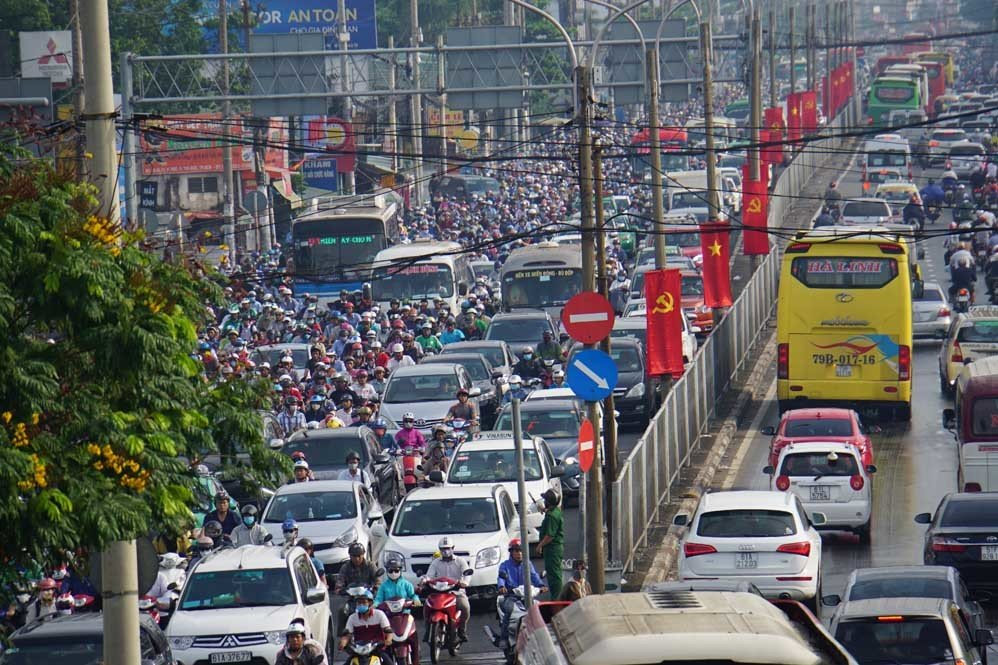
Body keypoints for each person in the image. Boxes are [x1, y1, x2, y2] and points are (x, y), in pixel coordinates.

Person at [495, 539, 546, 648]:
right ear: (511, 552)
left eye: (521, 551)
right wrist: (501, 586)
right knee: (508, 610)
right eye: (516, 551)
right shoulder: (505, 565)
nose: (519, 554)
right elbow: (501, 577)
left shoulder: (528, 564)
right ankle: (504, 638)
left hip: (527, 596)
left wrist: (541, 586)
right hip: (511, 596)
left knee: (538, 610)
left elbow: (534, 576)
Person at [421, 536, 471, 644]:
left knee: (465, 607)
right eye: (443, 549)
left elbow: (467, 574)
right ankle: (427, 630)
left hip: (456, 592)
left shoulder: (460, 561)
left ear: (453, 548)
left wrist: (464, 582)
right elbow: (429, 575)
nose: (445, 551)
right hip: (438, 592)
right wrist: (424, 580)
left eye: (448, 548)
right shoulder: (436, 562)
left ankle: (462, 631)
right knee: (426, 607)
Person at [374, 559, 421, 665]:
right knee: (383, 642)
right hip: (388, 617)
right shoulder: (383, 586)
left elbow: (413, 595)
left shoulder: (406, 584)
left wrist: (416, 599)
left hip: (405, 615)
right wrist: (375, 604)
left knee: (413, 636)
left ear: (400, 570)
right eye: (390, 571)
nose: (393, 573)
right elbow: (378, 598)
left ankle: (416, 660)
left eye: (396, 570)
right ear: (387, 571)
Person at [339, 588, 393, 663]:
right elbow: (347, 635)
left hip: (377, 649)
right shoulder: (352, 618)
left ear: (370, 603)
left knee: (389, 662)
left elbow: (388, 630)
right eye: (359, 603)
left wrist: (388, 640)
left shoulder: (379, 614)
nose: (361, 605)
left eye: (364, 602)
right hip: (359, 650)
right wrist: (343, 643)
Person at [535, 489, 564, 600]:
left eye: (545, 500)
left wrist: (540, 545)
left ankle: (557, 599)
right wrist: (544, 510)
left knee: (554, 576)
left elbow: (550, 536)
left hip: (553, 549)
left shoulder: (552, 517)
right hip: (554, 549)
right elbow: (550, 512)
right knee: (554, 573)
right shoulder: (555, 511)